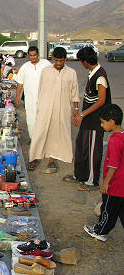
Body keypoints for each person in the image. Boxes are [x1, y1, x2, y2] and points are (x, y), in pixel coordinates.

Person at [65, 47, 111, 191]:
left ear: (85, 61)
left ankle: (92, 181)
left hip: (96, 120)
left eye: (81, 61)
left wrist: (82, 114)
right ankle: (80, 175)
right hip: (87, 119)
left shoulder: (100, 76)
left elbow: (101, 101)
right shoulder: (93, 73)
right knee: (81, 146)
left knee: (93, 151)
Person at [28, 47, 79, 172]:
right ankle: (34, 158)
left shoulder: (71, 73)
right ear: (53, 59)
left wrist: (76, 110)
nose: (58, 64)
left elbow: (75, 93)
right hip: (45, 108)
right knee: (39, 133)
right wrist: (40, 106)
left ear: (65, 59)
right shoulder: (46, 71)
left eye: (61, 61)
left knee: (56, 135)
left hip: (62, 109)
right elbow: (40, 90)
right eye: (56, 61)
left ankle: (52, 160)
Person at [83, 104, 124, 242]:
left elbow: (113, 164)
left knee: (108, 210)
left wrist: (106, 183)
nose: (101, 125)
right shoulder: (122, 137)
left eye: (103, 122)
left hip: (115, 184)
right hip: (122, 184)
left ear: (112, 121)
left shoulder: (114, 140)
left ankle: (101, 231)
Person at [15, 46, 51, 140]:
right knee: (31, 120)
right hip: (30, 99)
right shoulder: (25, 67)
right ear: (28, 56)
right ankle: (34, 139)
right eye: (31, 55)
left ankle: (44, 140)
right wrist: (17, 96)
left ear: (38, 54)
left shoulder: (46, 64)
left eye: (34, 55)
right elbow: (20, 82)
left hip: (44, 98)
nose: (33, 57)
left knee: (44, 119)